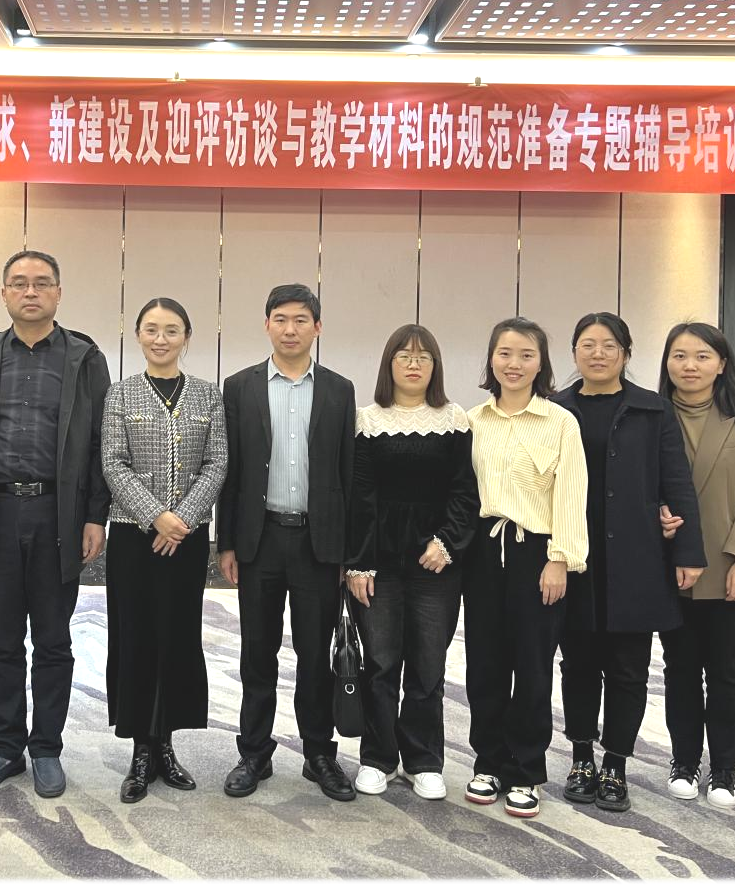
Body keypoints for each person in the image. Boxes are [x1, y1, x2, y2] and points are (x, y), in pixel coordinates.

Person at [0, 250, 111, 800]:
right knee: (0, 640)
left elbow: (99, 442)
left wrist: (95, 515)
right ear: (4, 293)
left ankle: (46, 748)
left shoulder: (84, 357)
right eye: (19, 283)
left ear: (58, 293)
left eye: (42, 283)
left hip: (58, 514)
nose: (31, 292)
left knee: (52, 639)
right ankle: (5, 748)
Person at [550, 313, 705, 813]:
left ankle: (615, 764)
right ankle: (581, 758)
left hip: (637, 557)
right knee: (577, 665)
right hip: (573, 556)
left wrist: (687, 551)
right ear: (574, 352)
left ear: (626, 353)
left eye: (609, 345)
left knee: (628, 669)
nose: (598, 353)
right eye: (587, 344)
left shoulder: (653, 409)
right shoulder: (555, 409)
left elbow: (676, 482)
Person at [217, 283, 357, 802]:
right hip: (260, 540)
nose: (290, 329)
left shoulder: (339, 389)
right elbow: (230, 472)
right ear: (267, 325)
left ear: (317, 327)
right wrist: (226, 543)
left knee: (315, 655)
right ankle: (254, 752)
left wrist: (347, 552)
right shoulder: (240, 386)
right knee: (258, 652)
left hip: (319, 544)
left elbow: (347, 473)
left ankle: (319, 753)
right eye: (280, 319)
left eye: (301, 320)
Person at [101, 298, 228, 804]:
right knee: (135, 637)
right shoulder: (120, 393)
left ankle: (167, 744)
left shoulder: (208, 395)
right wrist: (156, 516)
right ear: (137, 335)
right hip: (133, 536)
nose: (161, 339)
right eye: (151, 329)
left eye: (171, 330)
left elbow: (217, 463)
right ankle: (140, 750)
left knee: (177, 636)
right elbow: (113, 463)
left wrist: (183, 521)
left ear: (186, 337)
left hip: (187, 540)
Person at [345, 324, 478, 801]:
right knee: (380, 664)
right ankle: (378, 758)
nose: (414, 364)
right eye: (404, 356)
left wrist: (447, 542)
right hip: (378, 564)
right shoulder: (366, 420)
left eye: (424, 357)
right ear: (389, 365)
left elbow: (465, 492)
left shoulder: (454, 419)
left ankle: (423, 760)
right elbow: (359, 498)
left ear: (435, 367)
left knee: (427, 666)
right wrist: (358, 564)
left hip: (435, 563)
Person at [463, 317, 588, 819]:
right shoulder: (473, 420)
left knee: (533, 665)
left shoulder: (560, 422)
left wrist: (560, 559)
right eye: (505, 353)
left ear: (541, 364)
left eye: (526, 355)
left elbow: (571, 493)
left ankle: (525, 768)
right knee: (484, 663)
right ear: (491, 360)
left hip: (538, 553)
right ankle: (488, 762)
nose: (514, 364)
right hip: (482, 552)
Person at [657, 322, 735, 810]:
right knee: (680, 667)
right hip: (670, 566)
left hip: (730, 567)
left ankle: (726, 767)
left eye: (702, 356)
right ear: (667, 362)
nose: (690, 366)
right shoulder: (650, 416)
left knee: (726, 669)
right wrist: (655, 515)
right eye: (680, 355)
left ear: (721, 364)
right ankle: (684, 760)